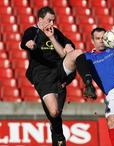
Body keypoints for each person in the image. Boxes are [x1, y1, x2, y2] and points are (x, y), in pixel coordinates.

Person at [21, 6, 96, 146]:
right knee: (54, 113)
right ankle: (57, 133)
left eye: (53, 20)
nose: (51, 24)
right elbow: (25, 42)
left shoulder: (55, 33)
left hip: (59, 69)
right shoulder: (32, 31)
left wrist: (66, 44)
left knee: (78, 53)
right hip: (42, 74)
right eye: (49, 20)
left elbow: (64, 53)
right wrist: (29, 44)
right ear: (41, 19)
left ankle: (89, 84)